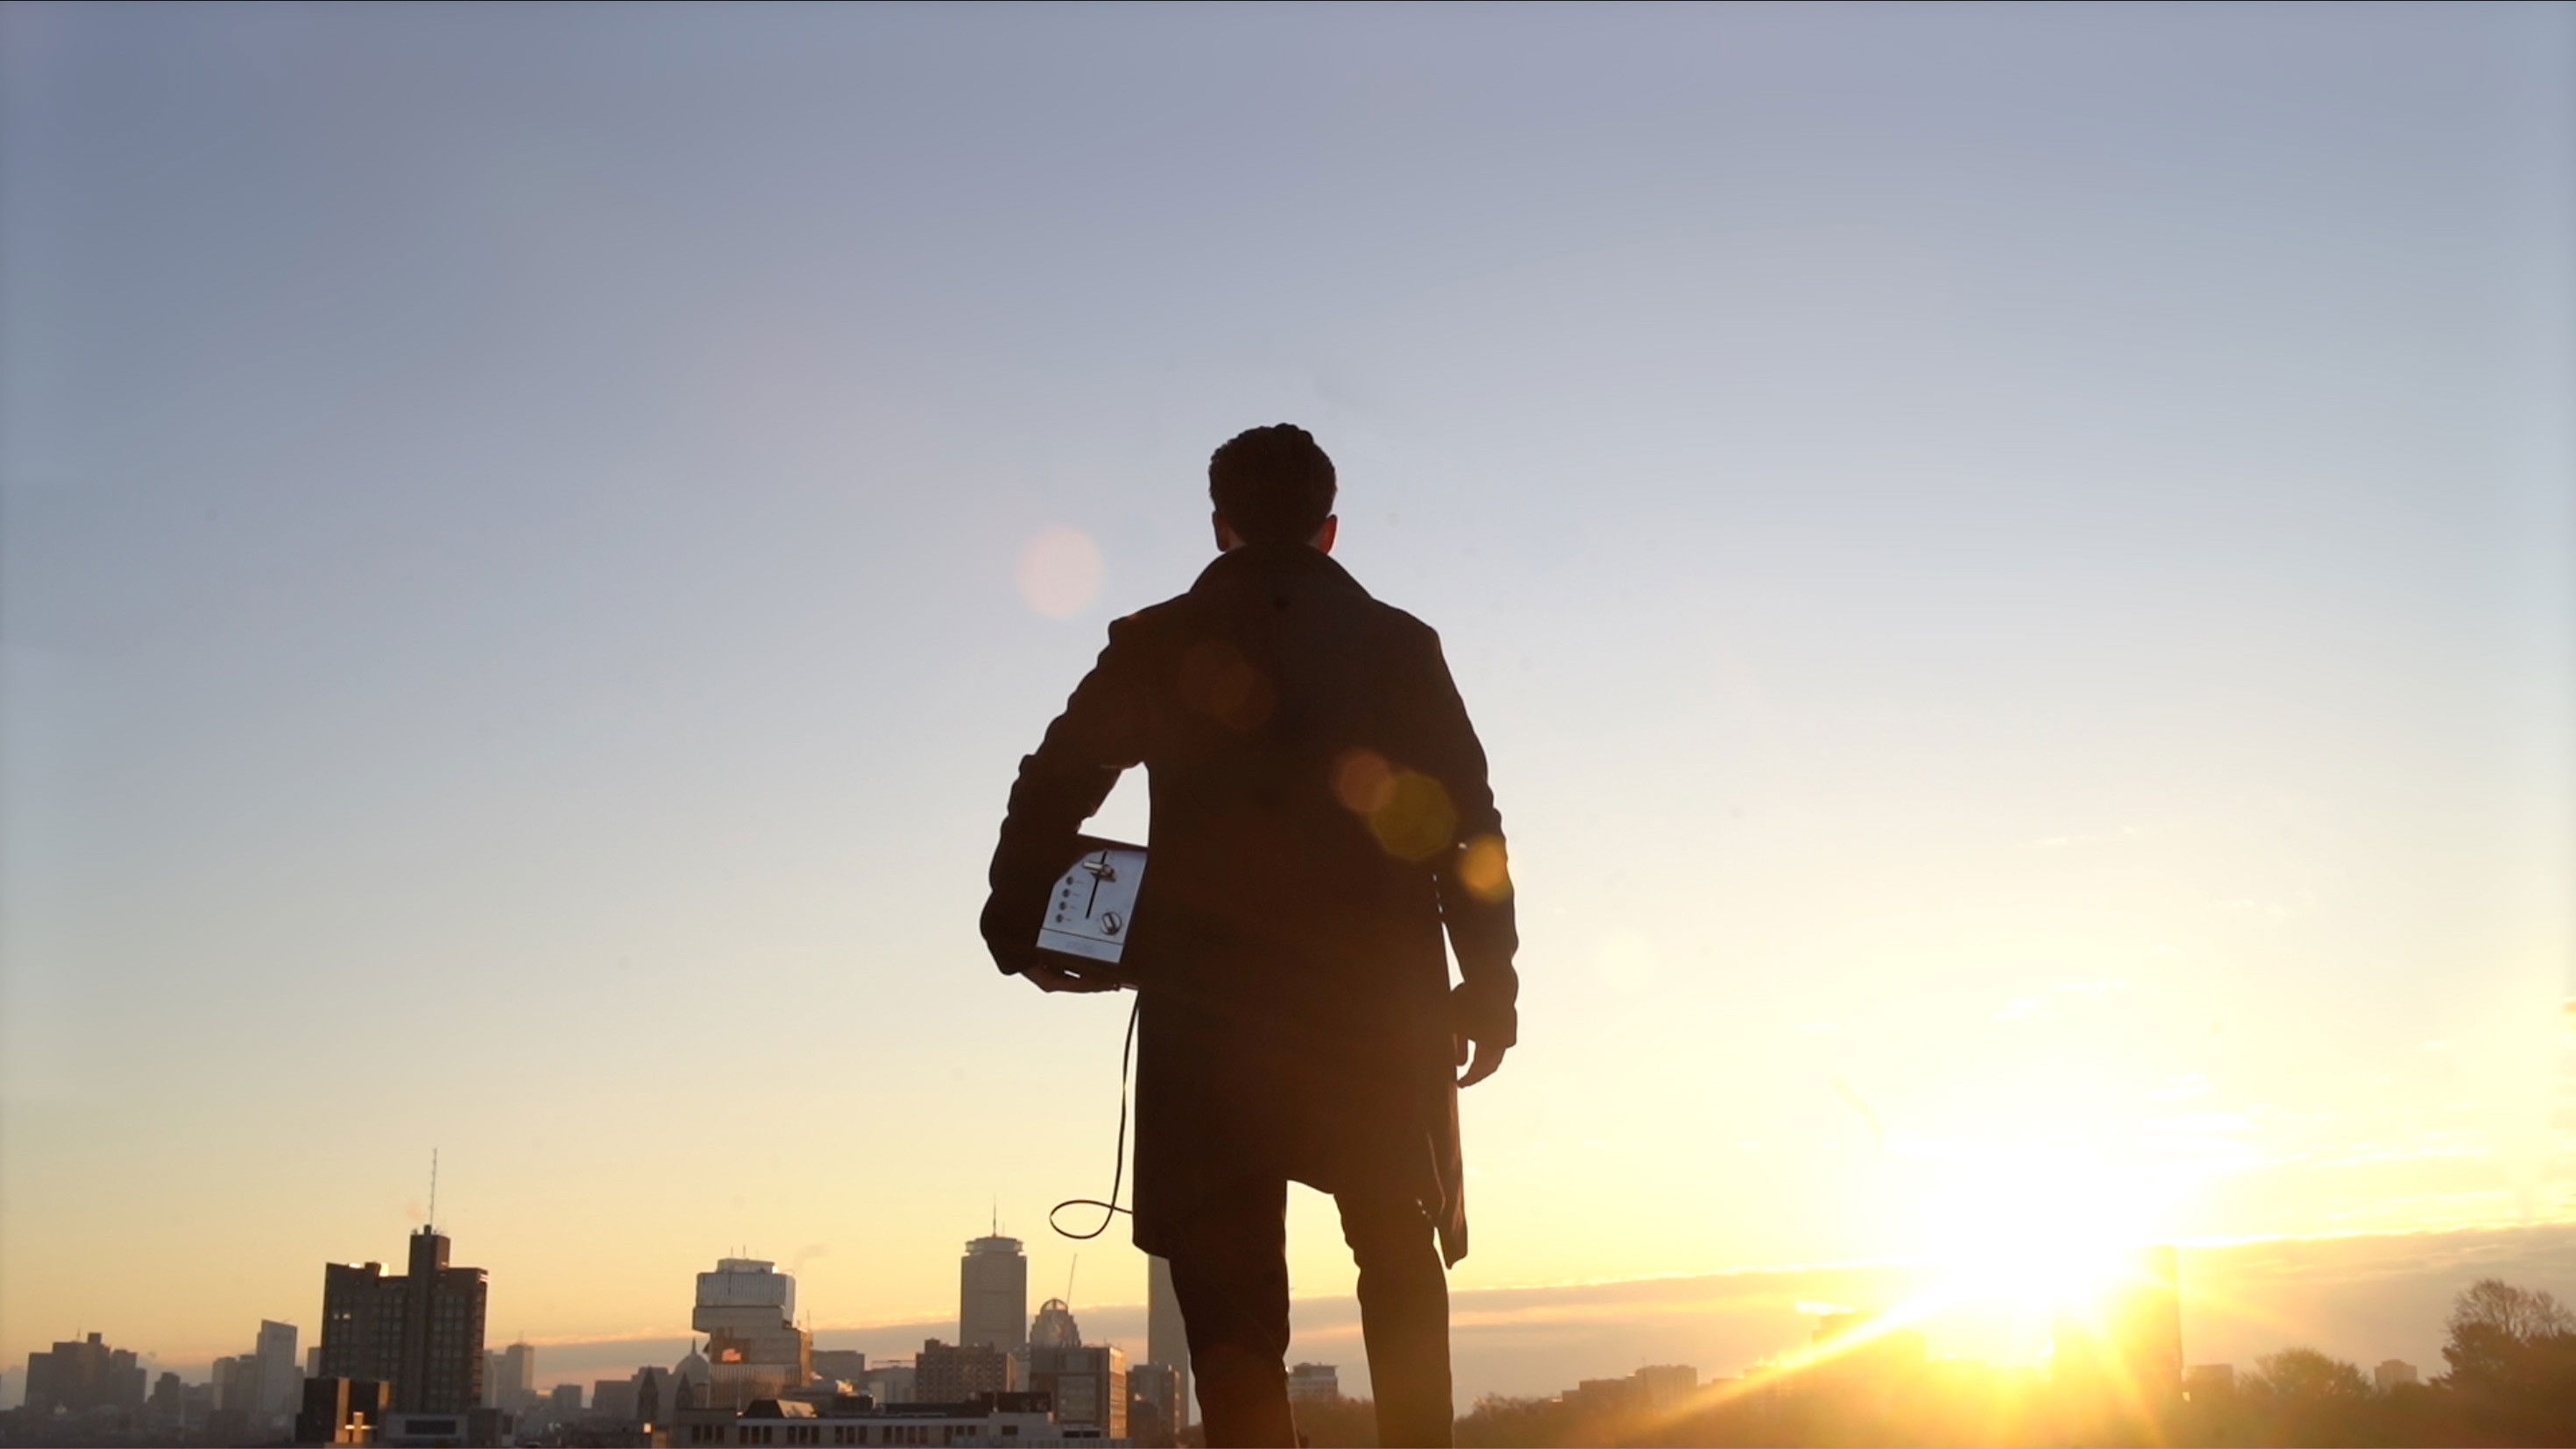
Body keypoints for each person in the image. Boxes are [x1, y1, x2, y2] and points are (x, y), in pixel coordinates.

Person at [980, 424, 1519, 1448]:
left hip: (1211, 1010)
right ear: (1329, 529)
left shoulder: (1159, 640)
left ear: (1221, 524)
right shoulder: (1399, 647)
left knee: (1229, 1296)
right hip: (1374, 1007)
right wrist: (1490, 984)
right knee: (1396, 1245)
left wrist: (1017, 923)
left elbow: (1051, 784)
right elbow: (1469, 827)